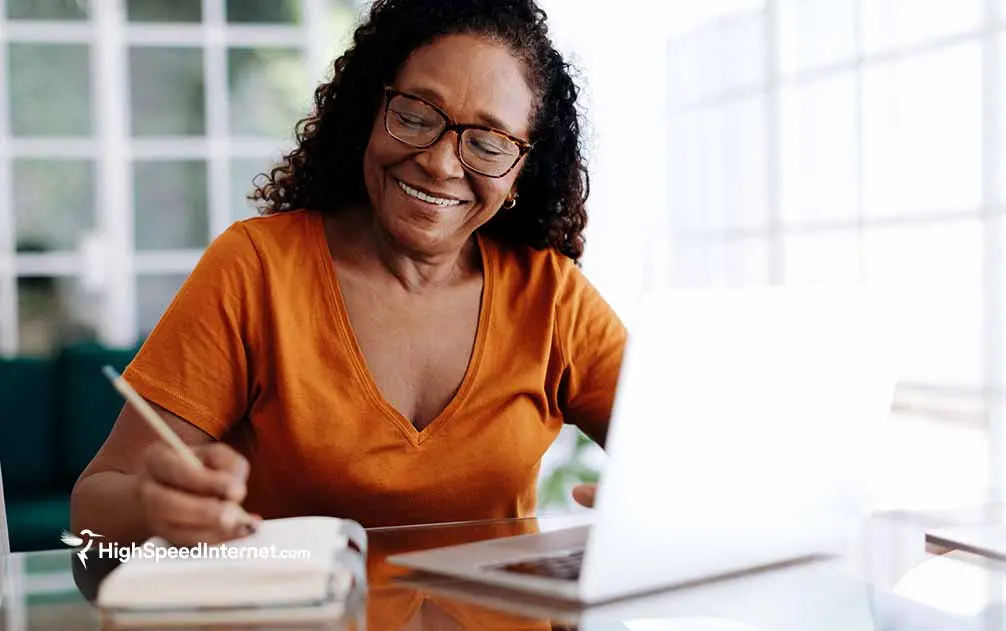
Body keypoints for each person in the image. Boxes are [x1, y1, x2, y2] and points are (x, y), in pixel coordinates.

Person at [69, 0, 626, 546]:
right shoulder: (256, 270)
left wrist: (659, 501)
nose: (439, 162)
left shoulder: (551, 298)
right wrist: (151, 506)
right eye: (414, 116)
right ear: (370, 112)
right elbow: (95, 505)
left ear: (521, 174)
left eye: (486, 143)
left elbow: (686, 462)